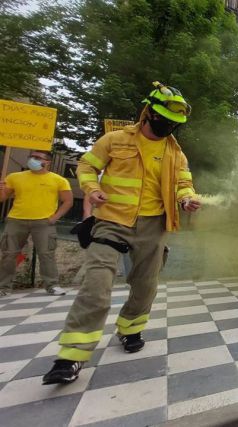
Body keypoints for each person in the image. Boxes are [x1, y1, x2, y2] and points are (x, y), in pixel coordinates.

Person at [43, 82, 200, 385]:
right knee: (96, 284)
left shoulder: (176, 154)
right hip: (111, 221)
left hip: (153, 226)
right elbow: (87, 167)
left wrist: (186, 198)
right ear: (149, 114)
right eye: (165, 120)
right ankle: (71, 356)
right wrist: (92, 188)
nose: (169, 127)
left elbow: (184, 183)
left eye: (174, 124)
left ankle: (130, 329)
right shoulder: (114, 139)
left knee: (146, 285)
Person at [0, 150, 73, 296]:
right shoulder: (14, 177)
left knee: (46, 254)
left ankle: (52, 285)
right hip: (16, 220)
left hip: (44, 223)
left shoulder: (59, 180)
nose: (33, 159)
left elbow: (68, 201)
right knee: (9, 254)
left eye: (37, 157)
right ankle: (3, 287)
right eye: (31, 157)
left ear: (47, 162)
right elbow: (2, 198)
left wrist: (54, 218)